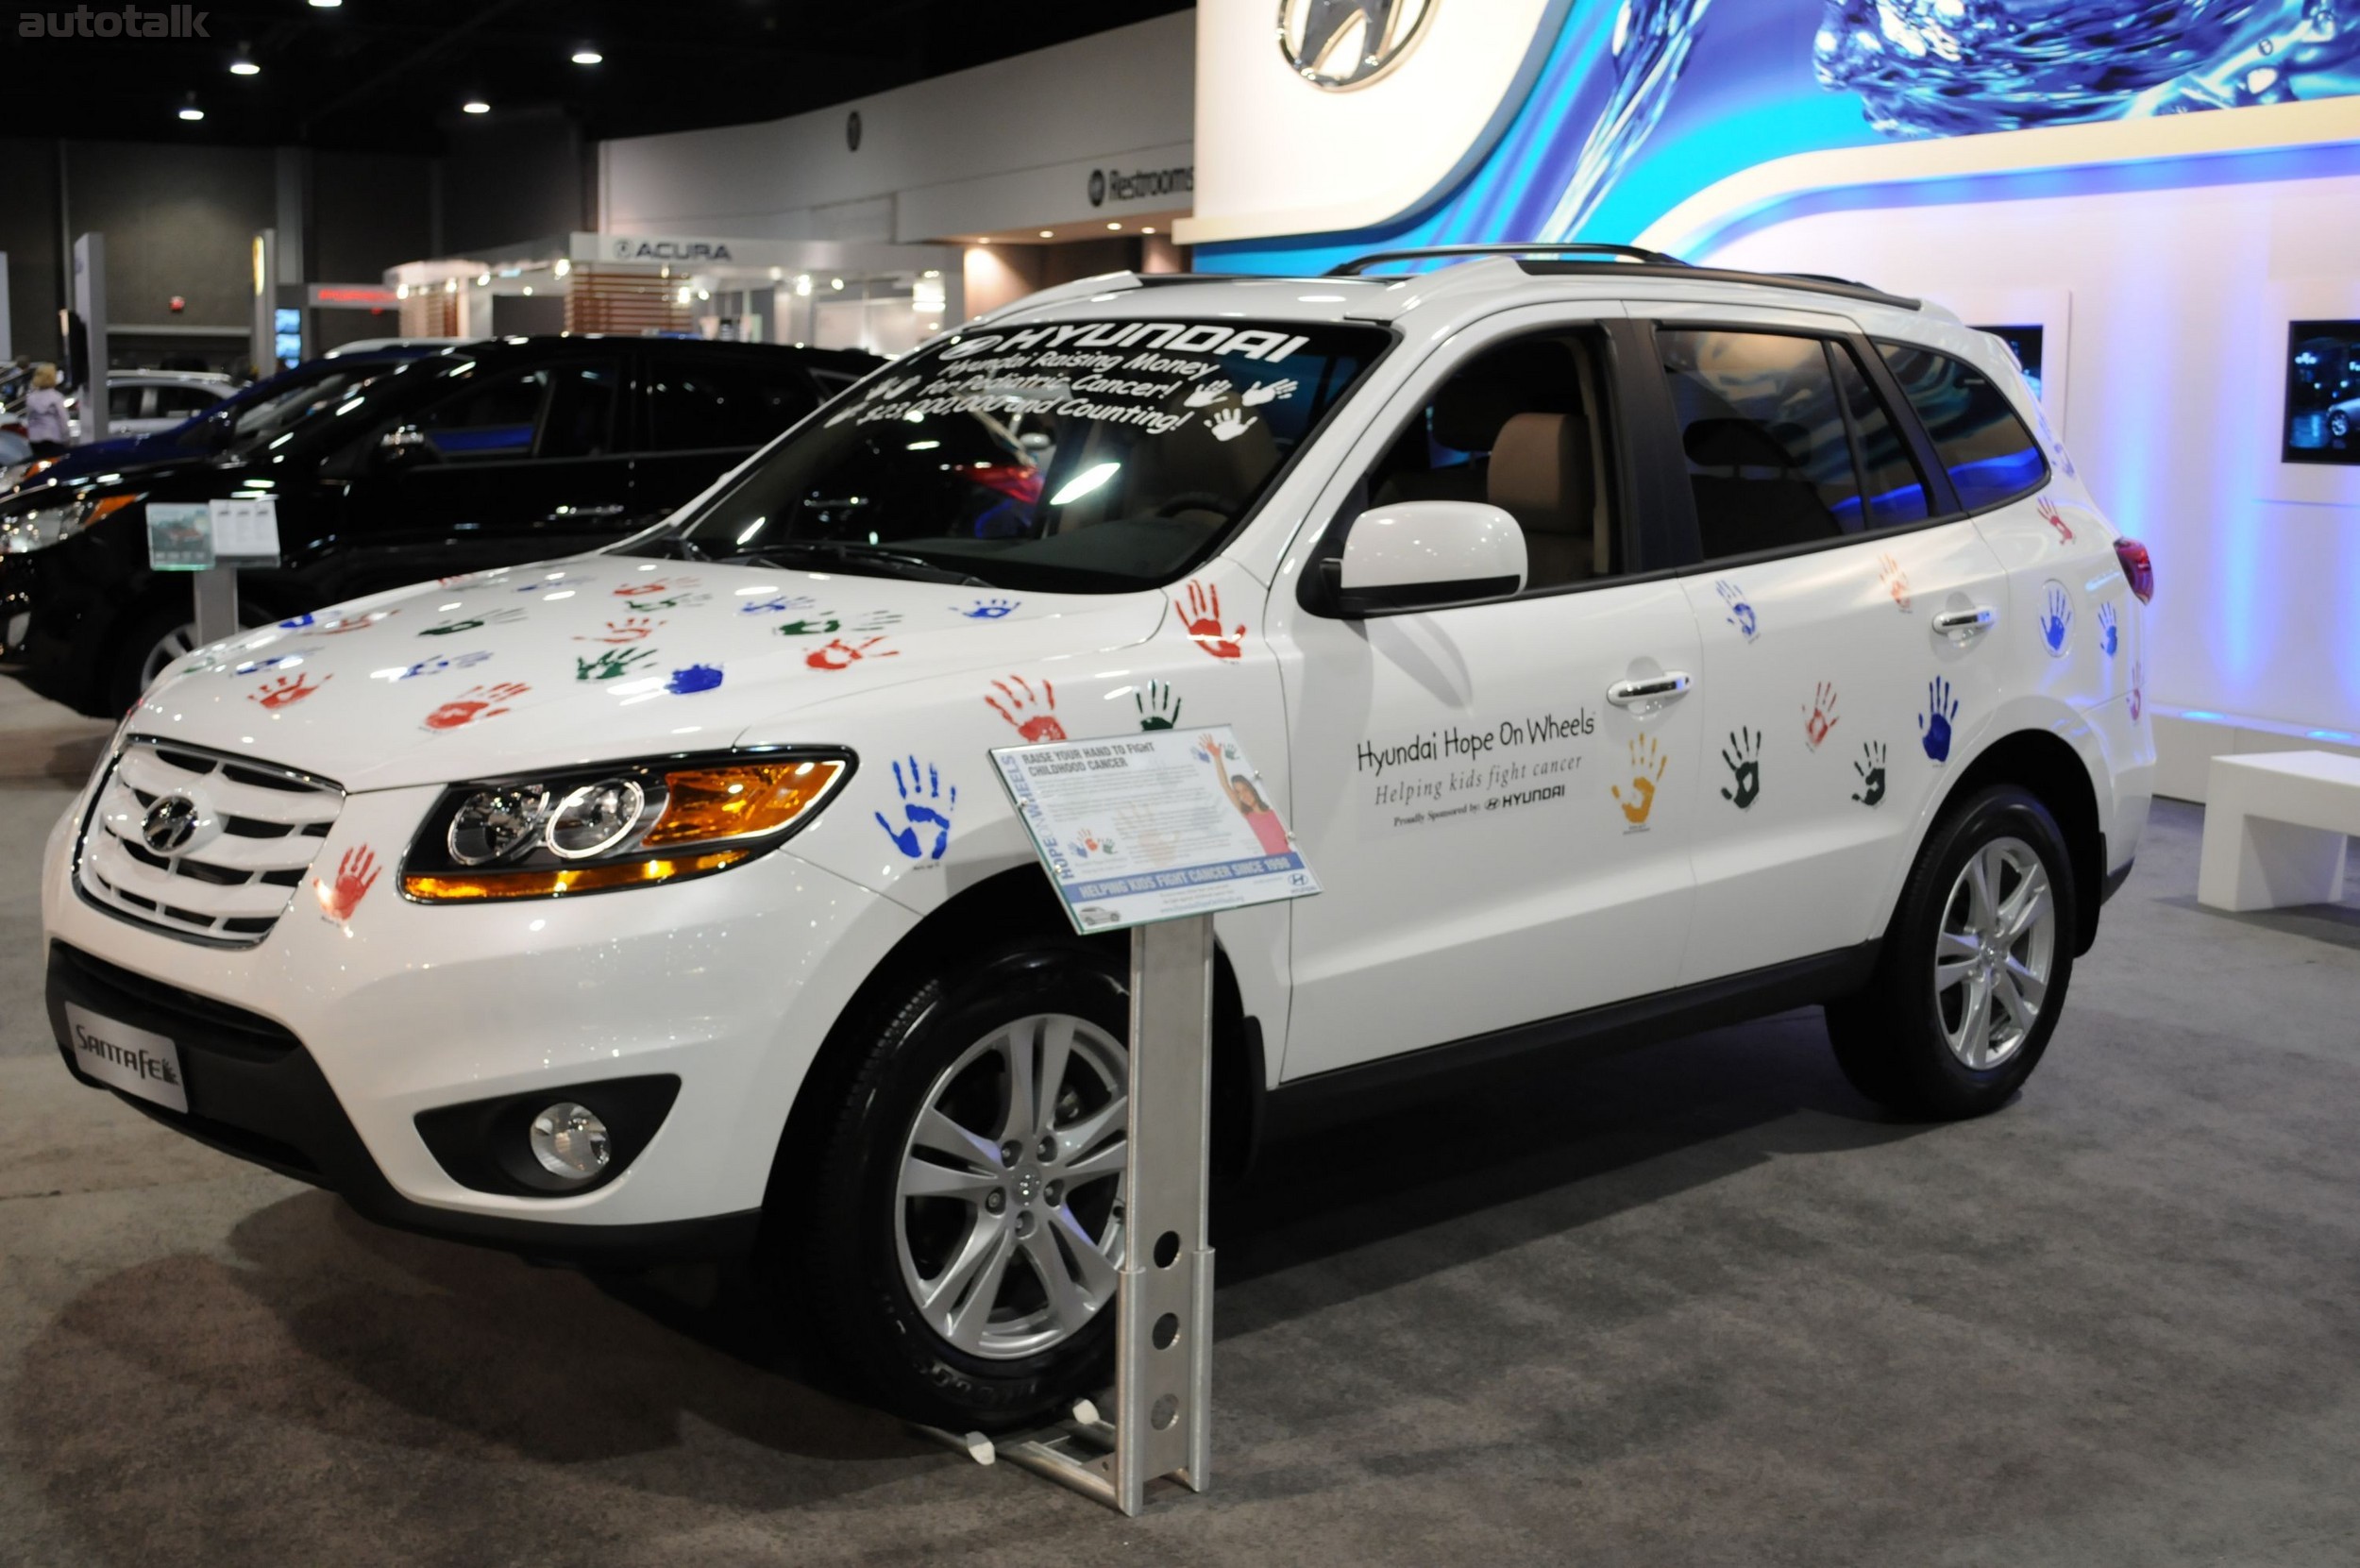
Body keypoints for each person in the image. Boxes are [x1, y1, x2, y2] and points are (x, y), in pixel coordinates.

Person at [1227, 773, 1291, 856]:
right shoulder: (1249, 815)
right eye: (1239, 793)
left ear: (1251, 789)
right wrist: (1218, 763)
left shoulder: (1275, 814)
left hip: (1290, 856)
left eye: (1245, 790)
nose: (1244, 796)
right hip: (1273, 860)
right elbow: (1225, 786)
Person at [22, 363, 69, 457]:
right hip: (54, 437)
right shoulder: (56, 397)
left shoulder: (31, 398)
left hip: (35, 438)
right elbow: (63, 419)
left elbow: (29, 418)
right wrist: (66, 438)